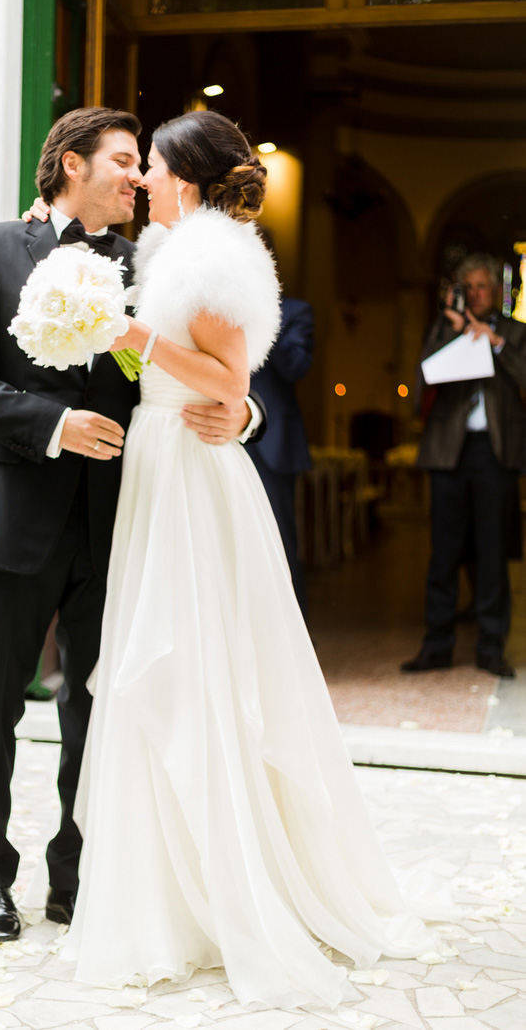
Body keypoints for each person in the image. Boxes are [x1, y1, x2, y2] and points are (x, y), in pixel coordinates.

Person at [57, 110, 435, 1011]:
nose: (141, 177)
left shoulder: (215, 257)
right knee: (167, 665)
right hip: (162, 458)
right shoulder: (169, 251)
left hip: (190, 470)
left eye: (150, 164)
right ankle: (166, 893)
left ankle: (225, 884)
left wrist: (134, 336)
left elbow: (231, 382)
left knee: (191, 666)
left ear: (185, 175)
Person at [0, 106, 259, 945]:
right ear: (72, 164)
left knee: (97, 705)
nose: (136, 177)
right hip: (11, 513)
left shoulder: (148, 267)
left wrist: (242, 409)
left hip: (120, 521)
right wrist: (52, 423)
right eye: (121, 160)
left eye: (142, 163)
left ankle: (75, 876)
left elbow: (193, 365)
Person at [402, 254, 526, 679]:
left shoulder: (515, 333)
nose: (475, 293)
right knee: (444, 553)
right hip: (448, 452)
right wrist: (454, 336)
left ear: (497, 292)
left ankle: (491, 648)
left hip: (495, 452)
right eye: (468, 287)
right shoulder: (443, 326)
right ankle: (437, 645)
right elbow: (422, 378)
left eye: (482, 287)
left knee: (492, 553)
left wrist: (494, 343)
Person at [246, 295, 313, 617]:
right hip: (216, 437)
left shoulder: (295, 312)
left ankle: (291, 631)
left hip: (272, 442)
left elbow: (295, 367)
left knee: (280, 542)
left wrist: (262, 318)